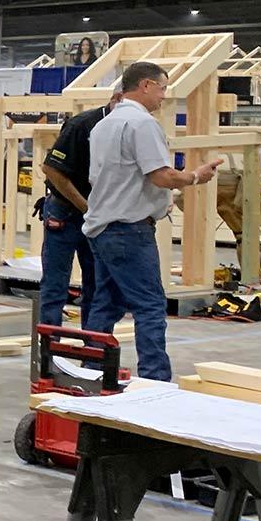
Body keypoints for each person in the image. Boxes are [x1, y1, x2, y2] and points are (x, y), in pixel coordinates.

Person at [82, 62, 221, 382]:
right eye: (162, 88)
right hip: (129, 229)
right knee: (150, 307)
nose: (164, 97)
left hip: (102, 227)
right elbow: (161, 175)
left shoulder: (104, 124)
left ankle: (91, 369)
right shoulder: (142, 124)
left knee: (106, 304)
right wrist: (195, 177)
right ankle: (154, 379)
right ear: (145, 85)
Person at [37, 87, 122, 328]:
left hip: (99, 216)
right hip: (65, 212)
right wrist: (86, 207)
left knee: (98, 287)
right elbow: (52, 170)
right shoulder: (82, 125)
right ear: (116, 99)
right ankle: (49, 353)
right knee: (55, 285)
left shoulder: (129, 128)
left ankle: (93, 354)